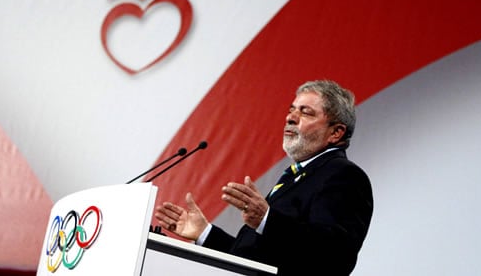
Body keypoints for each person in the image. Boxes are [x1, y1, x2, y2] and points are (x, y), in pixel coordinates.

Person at [154, 79, 374, 275]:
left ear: (336, 133)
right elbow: (254, 261)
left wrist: (267, 220)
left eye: (306, 112)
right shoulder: (294, 177)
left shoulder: (344, 176)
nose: (291, 117)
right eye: (292, 109)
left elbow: (334, 257)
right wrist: (205, 233)